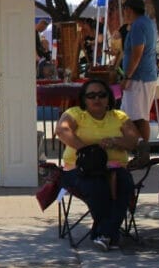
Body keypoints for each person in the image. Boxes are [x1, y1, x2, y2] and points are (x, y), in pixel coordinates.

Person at [55, 79, 141, 250]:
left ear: (109, 98)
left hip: (115, 169)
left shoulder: (119, 117)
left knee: (125, 185)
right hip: (80, 169)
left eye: (101, 95)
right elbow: (62, 130)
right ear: (84, 99)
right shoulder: (75, 114)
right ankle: (108, 234)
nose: (97, 99)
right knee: (97, 187)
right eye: (91, 95)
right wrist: (89, 152)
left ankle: (104, 233)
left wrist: (116, 141)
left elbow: (133, 140)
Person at [119, 0, 156, 165]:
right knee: (139, 116)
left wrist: (127, 76)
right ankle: (142, 152)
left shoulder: (139, 25)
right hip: (144, 76)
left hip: (139, 77)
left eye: (124, 9)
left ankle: (142, 153)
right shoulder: (145, 23)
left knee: (135, 118)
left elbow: (137, 53)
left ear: (129, 9)